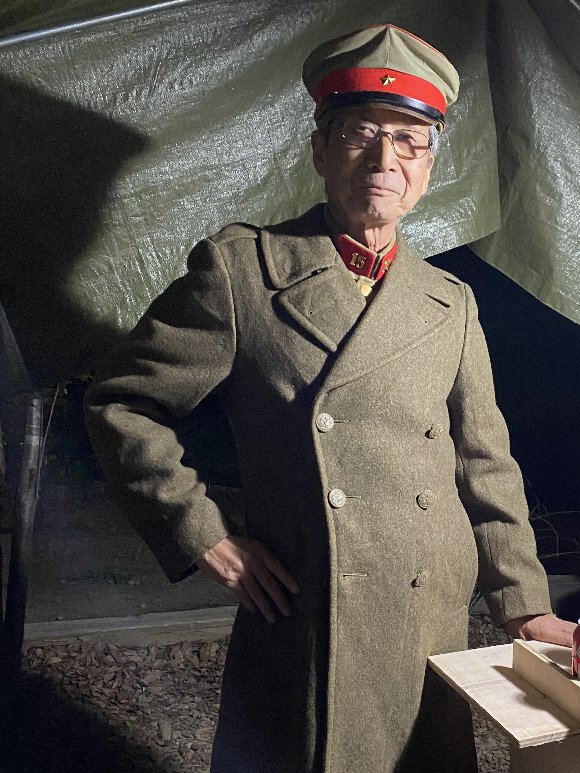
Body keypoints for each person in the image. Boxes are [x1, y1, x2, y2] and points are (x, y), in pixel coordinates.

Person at [85, 24, 575, 773]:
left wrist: (525, 603)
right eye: (360, 134)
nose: (384, 160)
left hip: (429, 615)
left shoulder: (450, 300)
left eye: (408, 141)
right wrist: (202, 533)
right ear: (320, 150)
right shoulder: (242, 273)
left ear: (429, 166)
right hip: (309, 611)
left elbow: (485, 463)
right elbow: (124, 402)